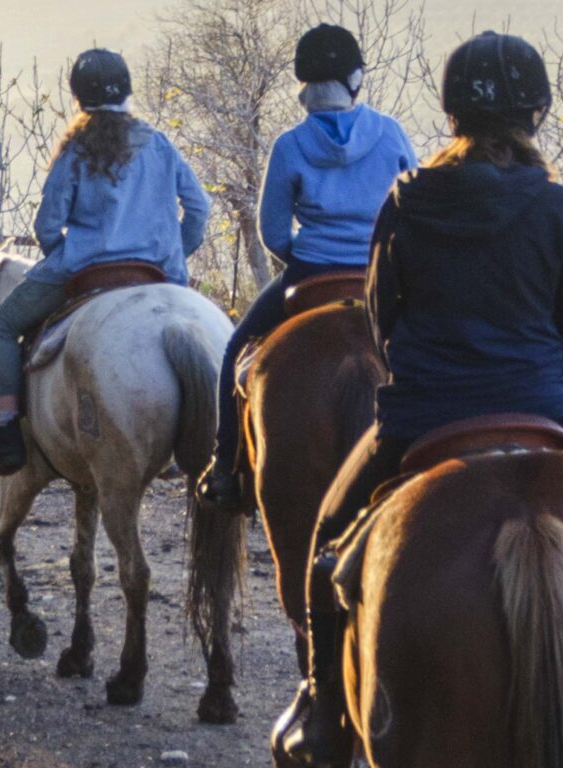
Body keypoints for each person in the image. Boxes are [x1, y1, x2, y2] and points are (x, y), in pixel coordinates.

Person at [274, 32, 563, 765]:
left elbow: (381, 318)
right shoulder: (558, 206)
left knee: (328, 541)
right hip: (543, 404)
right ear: (538, 113)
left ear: (451, 112)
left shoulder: (408, 199)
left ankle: (322, 708)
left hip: (421, 413)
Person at [198, 24, 417, 505]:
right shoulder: (391, 133)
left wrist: (306, 254)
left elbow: (273, 233)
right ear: (356, 79)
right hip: (382, 279)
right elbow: (412, 211)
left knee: (237, 350)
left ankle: (225, 468)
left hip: (311, 276)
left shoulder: (290, 145)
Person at [0, 48, 212, 475]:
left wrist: (61, 256)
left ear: (78, 98)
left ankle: (7, 427)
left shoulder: (75, 151)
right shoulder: (159, 143)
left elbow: (47, 224)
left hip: (85, 271)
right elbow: (198, 209)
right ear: (127, 90)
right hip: (157, 273)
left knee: (0, 325)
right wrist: (175, 253)